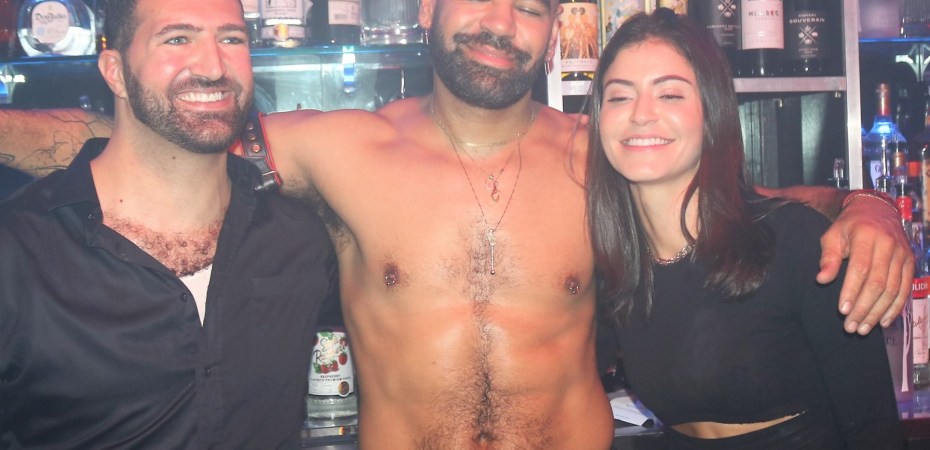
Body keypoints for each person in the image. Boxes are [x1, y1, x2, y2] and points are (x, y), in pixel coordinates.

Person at [0, 0, 912, 448]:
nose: (500, 22)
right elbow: (165, 133)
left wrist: (869, 207)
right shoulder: (340, 149)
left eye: (529, 7)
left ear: (551, 33)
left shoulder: (601, 156)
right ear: (427, 11)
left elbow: (747, 204)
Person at [0, 0, 337, 447]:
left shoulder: (299, 241)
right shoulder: (17, 251)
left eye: (231, 39)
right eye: (177, 39)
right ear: (116, 72)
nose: (213, 67)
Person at [587, 8, 901, 448]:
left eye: (670, 94)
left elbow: (874, 429)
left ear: (711, 112)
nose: (641, 114)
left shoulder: (798, 245)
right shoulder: (615, 270)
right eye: (620, 96)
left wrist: (874, 204)